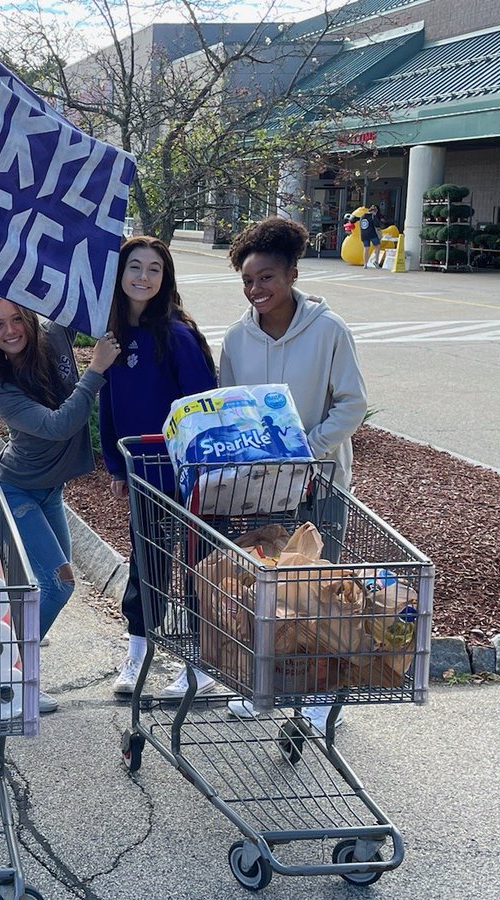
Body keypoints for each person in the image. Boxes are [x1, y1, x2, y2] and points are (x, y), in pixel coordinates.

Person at [220, 216, 368, 731]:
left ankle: (324, 696)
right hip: (264, 491)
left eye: (266, 277)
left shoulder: (328, 330)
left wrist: (310, 450)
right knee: (267, 594)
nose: (256, 289)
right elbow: (230, 409)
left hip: (322, 482)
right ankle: (266, 687)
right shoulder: (237, 339)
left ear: (292, 275)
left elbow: (352, 404)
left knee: (323, 596)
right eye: (247, 280)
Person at [0, 295, 121, 713]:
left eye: (16, 318)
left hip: (48, 491)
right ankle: (10, 675)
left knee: (40, 588)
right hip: (14, 491)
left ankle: (10, 659)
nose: (10, 330)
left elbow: (87, 303)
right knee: (59, 583)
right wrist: (95, 372)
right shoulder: (2, 389)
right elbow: (58, 426)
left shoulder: (54, 339)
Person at [97, 236, 218, 699]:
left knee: (194, 564)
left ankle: (197, 666)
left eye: (154, 269)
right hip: (142, 473)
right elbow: (108, 403)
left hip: (185, 476)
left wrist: (199, 470)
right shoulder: (112, 337)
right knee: (146, 564)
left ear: (165, 279)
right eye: (134, 267)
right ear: (120, 274)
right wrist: (115, 465)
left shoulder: (177, 336)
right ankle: (137, 655)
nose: (143, 277)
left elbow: (201, 408)